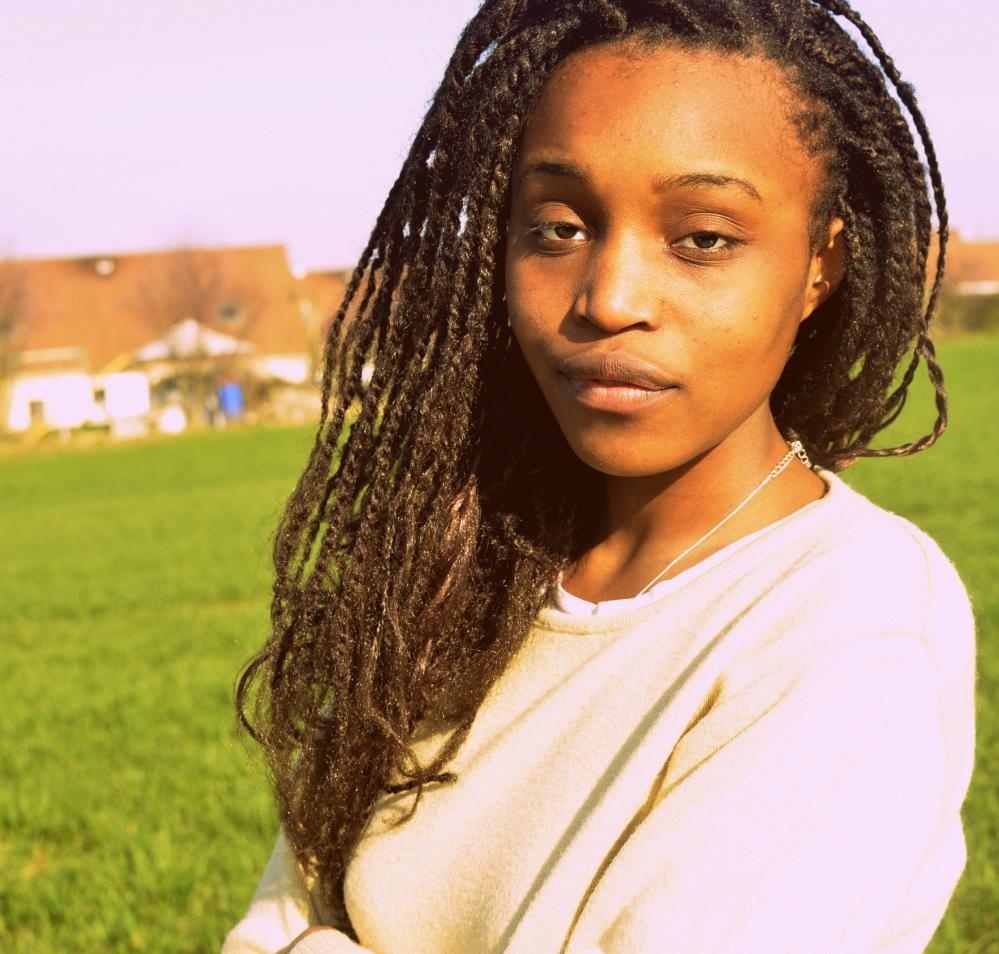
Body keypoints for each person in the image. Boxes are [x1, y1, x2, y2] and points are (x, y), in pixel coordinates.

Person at [224, 0, 976, 951]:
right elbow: (273, 923)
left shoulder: (847, 623)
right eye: (557, 228)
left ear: (819, 265)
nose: (609, 298)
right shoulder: (459, 567)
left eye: (702, 238)